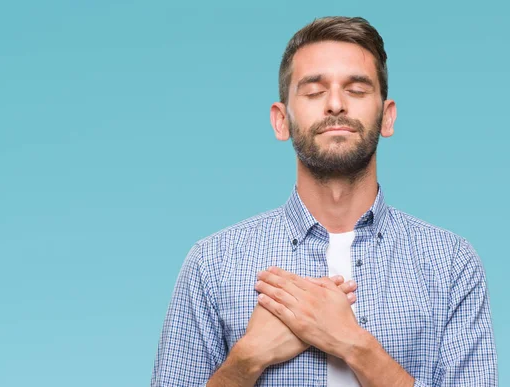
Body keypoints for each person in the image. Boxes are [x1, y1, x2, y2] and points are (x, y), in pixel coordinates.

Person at [151, 16, 498, 387]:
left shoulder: (451, 264)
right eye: (315, 91)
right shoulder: (213, 264)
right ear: (281, 121)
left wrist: (354, 345)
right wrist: (247, 359)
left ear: (387, 116)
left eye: (357, 90)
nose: (335, 104)